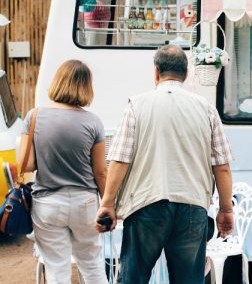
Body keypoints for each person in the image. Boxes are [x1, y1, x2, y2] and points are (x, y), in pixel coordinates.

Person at [96, 44, 234, 283]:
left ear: (156, 73)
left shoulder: (136, 106)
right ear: (187, 74)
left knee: (134, 277)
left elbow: (120, 159)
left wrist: (108, 203)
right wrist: (225, 209)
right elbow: (221, 166)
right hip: (192, 208)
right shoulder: (207, 110)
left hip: (146, 206)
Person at [20, 60, 108, 284]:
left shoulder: (34, 116)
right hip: (85, 204)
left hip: (47, 204)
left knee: (57, 270)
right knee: (92, 265)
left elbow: (25, 164)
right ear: (86, 86)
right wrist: (109, 204)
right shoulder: (93, 122)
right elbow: (100, 172)